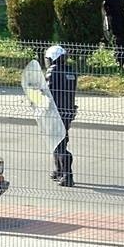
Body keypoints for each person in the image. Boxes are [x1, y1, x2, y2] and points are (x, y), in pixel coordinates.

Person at [44, 45, 78, 188]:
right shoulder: (71, 71)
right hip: (68, 111)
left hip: (55, 112)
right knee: (60, 139)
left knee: (59, 144)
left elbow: (47, 92)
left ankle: (67, 175)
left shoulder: (53, 71)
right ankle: (59, 170)